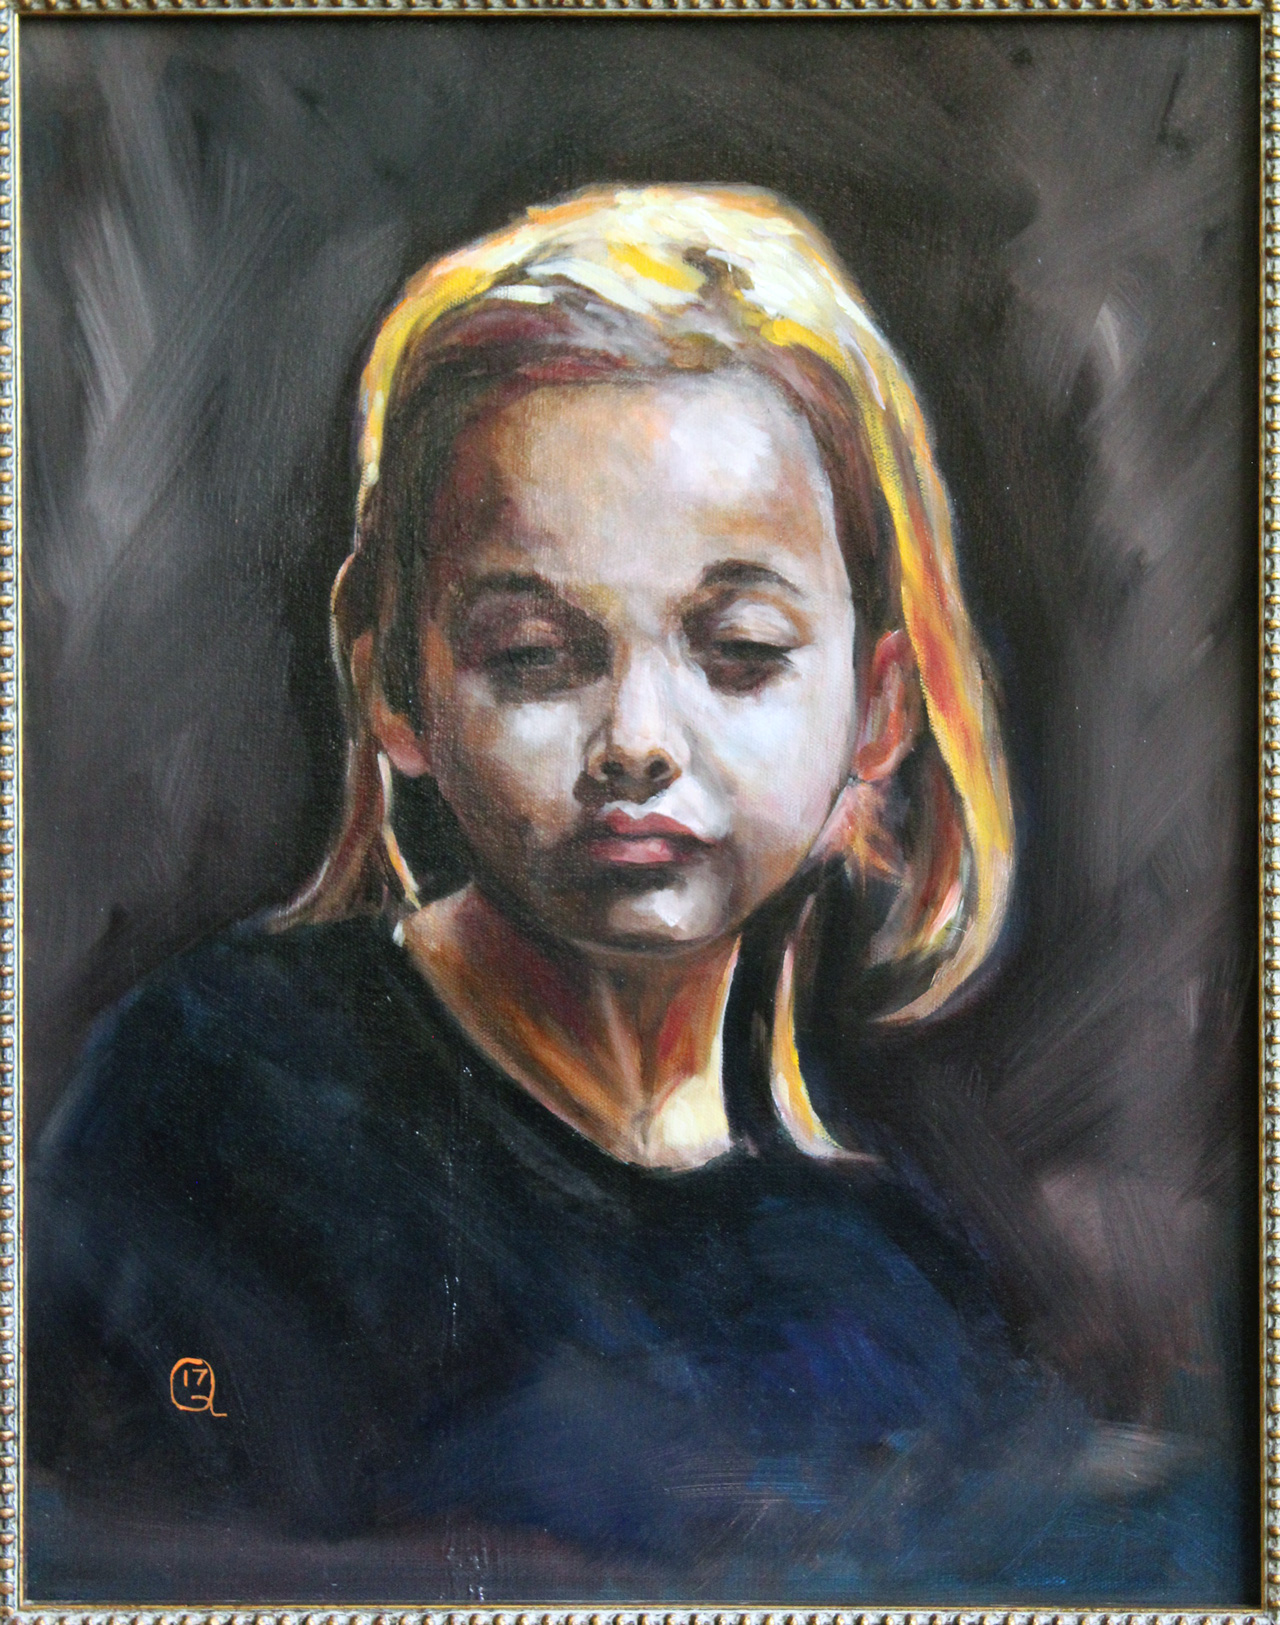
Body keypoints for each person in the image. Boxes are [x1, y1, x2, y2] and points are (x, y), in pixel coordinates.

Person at [26, 186, 1241, 1604]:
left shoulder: (902, 1296)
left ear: (878, 711)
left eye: (740, 650)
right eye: (537, 654)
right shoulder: (217, 1115)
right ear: (396, 682)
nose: (638, 741)